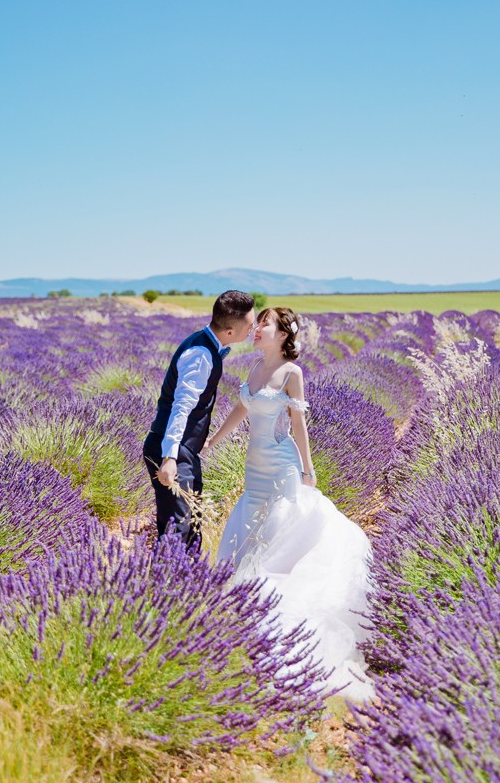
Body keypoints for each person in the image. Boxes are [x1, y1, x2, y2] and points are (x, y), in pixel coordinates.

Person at [203, 306, 374, 701]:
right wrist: (214, 441)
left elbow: (299, 426)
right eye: (258, 321)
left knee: (274, 540)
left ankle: (272, 619)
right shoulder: (254, 370)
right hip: (254, 470)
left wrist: (308, 471)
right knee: (246, 537)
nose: (258, 328)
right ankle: (243, 615)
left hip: (280, 468)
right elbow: (242, 408)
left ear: (283, 335)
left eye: (266, 323)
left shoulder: (291, 373)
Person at [144, 290, 255, 548]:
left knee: (192, 524)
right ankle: (165, 585)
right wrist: (170, 457)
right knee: (177, 529)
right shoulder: (201, 355)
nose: (253, 329)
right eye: (249, 325)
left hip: (185, 450)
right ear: (229, 331)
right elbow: (180, 408)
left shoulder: (208, 347)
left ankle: (189, 585)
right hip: (171, 450)